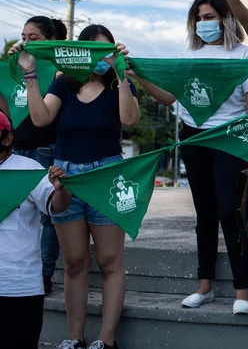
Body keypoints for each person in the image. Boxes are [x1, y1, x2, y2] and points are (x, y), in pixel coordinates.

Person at [128, 0, 248, 315]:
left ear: (225, 18)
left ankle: (242, 291)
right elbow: (168, 97)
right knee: (203, 214)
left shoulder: (244, 55)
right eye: (199, 18)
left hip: (228, 136)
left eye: (209, 17)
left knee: (229, 212)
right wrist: (139, 76)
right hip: (193, 135)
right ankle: (204, 286)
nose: (204, 23)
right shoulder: (188, 54)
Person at [10, 24, 139, 349]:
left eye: (107, 51)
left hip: (108, 178)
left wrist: (121, 73)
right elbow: (40, 119)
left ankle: (105, 340)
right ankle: (75, 337)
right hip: (66, 177)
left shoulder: (117, 84)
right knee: (75, 262)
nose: (102, 57)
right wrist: (30, 74)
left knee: (111, 260)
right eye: (96, 51)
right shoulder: (63, 85)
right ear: (80, 54)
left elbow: (129, 119)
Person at [0, 16, 67, 295]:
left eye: (34, 38)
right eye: (23, 37)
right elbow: (4, 110)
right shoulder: (13, 67)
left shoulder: (58, 70)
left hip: (45, 148)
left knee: (48, 216)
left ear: (50, 41)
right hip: (15, 148)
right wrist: (8, 67)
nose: (26, 42)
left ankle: (45, 273)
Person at [0, 109, 71, 349]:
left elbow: (57, 208)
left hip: (20, 288)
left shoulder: (29, 169)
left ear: (7, 138)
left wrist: (61, 189)